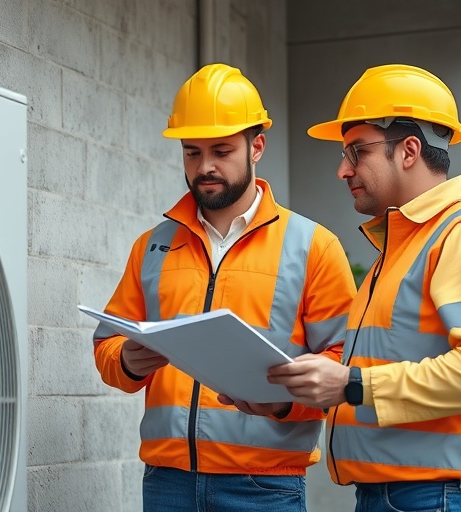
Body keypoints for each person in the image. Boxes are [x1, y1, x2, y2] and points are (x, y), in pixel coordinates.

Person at [267, 64, 461, 511]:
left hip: (437, 498)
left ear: (409, 150)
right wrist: (284, 402)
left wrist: (351, 384)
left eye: (357, 152)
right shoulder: (401, 252)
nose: (343, 169)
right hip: (400, 497)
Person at [91, 63, 357, 512]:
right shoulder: (152, 246)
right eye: (192, 152)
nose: (205, 166)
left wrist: (279, 405)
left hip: (264, 487)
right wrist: (128, 361)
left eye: (221, 150)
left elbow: (344, 365)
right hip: (167, 483)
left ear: (257, 147)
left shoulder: (313, 246)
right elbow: (107, 345)